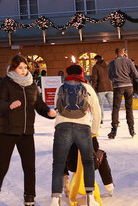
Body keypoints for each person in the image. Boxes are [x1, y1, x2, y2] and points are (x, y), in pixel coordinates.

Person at [0, 54, 57, 206]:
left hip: (26, 132)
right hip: (7, 132)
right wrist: (9, 105)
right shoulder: (6, 83)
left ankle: (29, 198)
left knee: (30, 167)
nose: (24, 70)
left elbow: (38, 104)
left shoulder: (32, 84)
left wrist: (48, 112)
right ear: (13, 68)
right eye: (20, 68)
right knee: (2, 167)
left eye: (25, 67)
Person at [50, 64, 101, 206]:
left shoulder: (61, 87)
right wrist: (94, 130)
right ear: (82, 73)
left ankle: (55, 198)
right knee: (88, 162)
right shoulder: (88, 87)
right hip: (83, 126)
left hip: (62, 126)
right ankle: (90, 197)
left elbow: (56, 106)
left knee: (59, 163)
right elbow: (96, 111)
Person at [107, 48, 138, 139]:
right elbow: (135, 73)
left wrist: (115, 80)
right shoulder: (128, 61)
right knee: (129, 108)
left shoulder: (112, 63)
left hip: (118, 87)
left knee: (116, 108)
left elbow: (110, 76)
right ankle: (131, 128)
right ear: (123, 53)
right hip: (129, 87)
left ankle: (114, 130)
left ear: (115, 54)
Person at [89, 54, 113, 124]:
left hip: (101, 88)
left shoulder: (96, 67)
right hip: (110, 87)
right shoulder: (109, 66)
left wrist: (93, 88)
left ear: (96, 60)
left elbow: (94, 78)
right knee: (113, 105)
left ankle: (101, 119)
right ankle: (115, 119)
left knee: (100, 105)